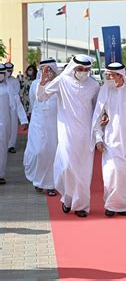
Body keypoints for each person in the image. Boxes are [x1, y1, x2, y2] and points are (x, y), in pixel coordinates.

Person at [37, 54, 100, 218]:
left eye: (87, 70)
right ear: (73, 68)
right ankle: (67, 197)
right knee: (66, 168)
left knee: (83, 172)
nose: (84, 72)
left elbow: (98, 110)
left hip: (86, 134)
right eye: (80, 69)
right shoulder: (62, 81)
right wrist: (43, 81)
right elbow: (41, 97)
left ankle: (82, 206)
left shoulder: (94, 85)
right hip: (66, 133)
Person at [92, 62, 126, 217]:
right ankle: (111, 204)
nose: (108, 77)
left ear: (120, 75)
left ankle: (123, 205)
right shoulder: (105, 92)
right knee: (112, 173)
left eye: (111, 75)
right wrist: (98, 138)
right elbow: (96, 117)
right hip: (111, 141)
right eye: (106, 74)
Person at [24, 59, 60, 196]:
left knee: (52, 152)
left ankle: (51, 185)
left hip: (54, 124)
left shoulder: (58, 85)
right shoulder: (34, 84)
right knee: (38, 151)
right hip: (38, 123)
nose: (47, 72)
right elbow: (34, 102)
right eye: (45, 69)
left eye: (50, 69)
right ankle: (38, 181)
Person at [0, 64, 28, 185]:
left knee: (2, 150)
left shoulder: (9, 88)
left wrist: (24, 120)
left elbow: (17, 104)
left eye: (2, 73)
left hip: (4, 123)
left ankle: (0, 174)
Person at [5, 63, 21, 153]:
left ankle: (11, 145)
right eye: (7, 70)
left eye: (11, 70)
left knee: (13, 125)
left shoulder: (15, 81)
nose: (9, 72)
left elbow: (16, 94)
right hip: (2, 106)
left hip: (12, 107)